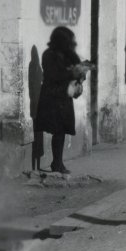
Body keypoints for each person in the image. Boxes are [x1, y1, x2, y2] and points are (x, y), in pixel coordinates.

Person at [34, 27, 90, 174]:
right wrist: (73, 71)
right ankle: (56, 163)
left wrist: (81, 72)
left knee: (62, 130)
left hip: (64, 96)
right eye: (67, 41)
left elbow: (75, 70)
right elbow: (54, 75)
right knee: (56, 129)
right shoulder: (48, 55)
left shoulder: (68, 54)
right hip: (52, 96)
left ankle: (57, 162)